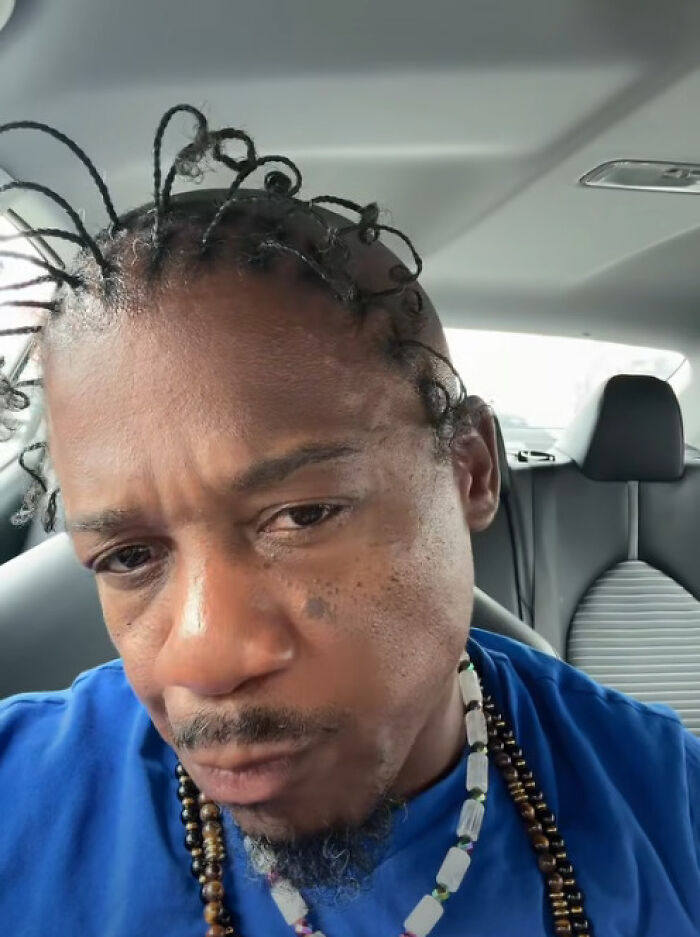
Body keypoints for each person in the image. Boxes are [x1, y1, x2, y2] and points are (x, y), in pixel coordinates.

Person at [0, 106, 698, 937]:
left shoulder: (668, 809)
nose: (205, 657)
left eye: (301, 514)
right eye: (129, 557)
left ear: (470, 469)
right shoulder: (19, 802)